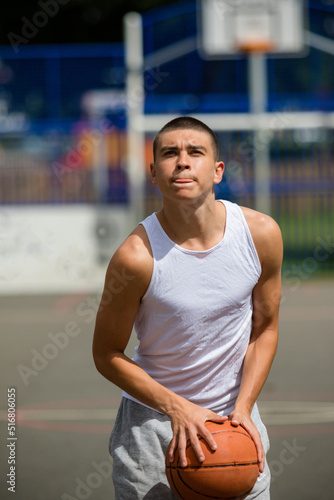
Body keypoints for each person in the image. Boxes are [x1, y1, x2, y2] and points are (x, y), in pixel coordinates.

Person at [93, 116, 282, 500]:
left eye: (195, 152)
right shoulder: (135, 257)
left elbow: (264, 329)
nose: (182, 161)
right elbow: (106, 354)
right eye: (169, 153)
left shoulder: (260, 234)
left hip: (235, 424)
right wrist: (178, 409)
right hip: (154, 427)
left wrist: (244, 409)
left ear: (217, 171)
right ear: (153, 172)